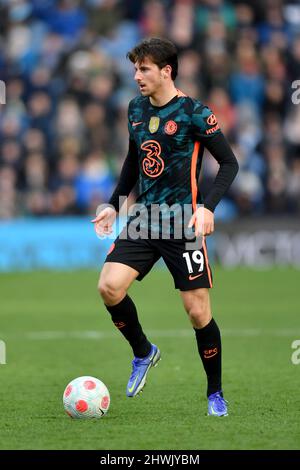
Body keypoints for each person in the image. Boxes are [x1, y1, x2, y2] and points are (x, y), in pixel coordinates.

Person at [92, 37, 238, 417]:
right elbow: (132, 159)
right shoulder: (135, 109)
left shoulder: (194, 112)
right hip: (143, 220)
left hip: (183, 224)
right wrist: (113, 204)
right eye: (135, 69)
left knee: (197, 312)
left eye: (144, 69)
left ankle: (215, 394)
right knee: (108, 287)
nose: (137, 76)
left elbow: (229, 164)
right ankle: (143, 352)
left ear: (165, 71)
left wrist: (207, 207)